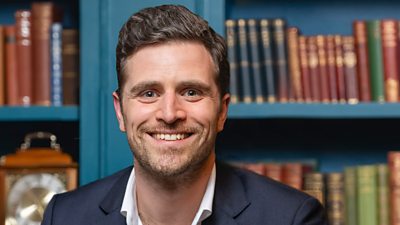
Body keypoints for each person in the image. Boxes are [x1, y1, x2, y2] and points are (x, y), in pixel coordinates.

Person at [41, 4, 327, 225]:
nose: (169, 114)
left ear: (222, 111)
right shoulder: (65, 216)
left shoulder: (290, 217)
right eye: (149, 93)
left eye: (191, 92)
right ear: (120, 111)